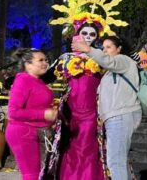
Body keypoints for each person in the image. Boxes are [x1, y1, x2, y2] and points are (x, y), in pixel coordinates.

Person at [43, 22, 107, 180]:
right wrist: (24, 78)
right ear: (77, 34)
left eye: (92, 34)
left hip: (94, 111)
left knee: (89, 146)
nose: (88, 37)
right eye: (85, 33)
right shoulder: (65, 58)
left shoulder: (101, 58)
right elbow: (47, 77)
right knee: (69, 146)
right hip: (70, 113)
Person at [73, 35, 142, 180]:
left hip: (121, 116)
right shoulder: (112, 70)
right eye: (103, 48)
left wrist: (87, 49)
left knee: (115, 162)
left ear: (119, 49)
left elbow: (107, 61)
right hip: (117, 117)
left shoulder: (124, 60)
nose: (104, 50)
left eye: (109, 47)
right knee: (120, 161)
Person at [5, 49, 56, 180]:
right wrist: (43, 114)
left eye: (46, 60)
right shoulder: (23, 80)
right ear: (28, 64)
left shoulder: (37, 80)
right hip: (23, 132)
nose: (45, 63)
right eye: (41, 60)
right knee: (31, 175)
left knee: (40, 174)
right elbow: (13, 112)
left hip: (36, 131)